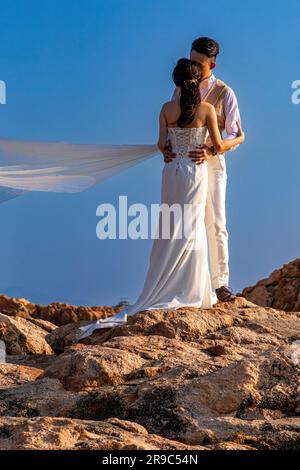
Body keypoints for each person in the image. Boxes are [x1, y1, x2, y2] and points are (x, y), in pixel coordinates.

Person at [78, 58, 244, 340]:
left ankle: (164, 285)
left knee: (170, 226)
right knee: (193, 228)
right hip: (195, 171)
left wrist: (171, 151)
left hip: (171, 172)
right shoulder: (206, 110)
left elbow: (161, 145)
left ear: (176, 83)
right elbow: (217, 145)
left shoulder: (166, 109)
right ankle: (192, 288)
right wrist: (228, 142)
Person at [163, 37, 242, 302]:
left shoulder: (225, 92)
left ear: (212, 64)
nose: (192, 66)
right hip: (185, 167)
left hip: (212, 164)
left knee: (216, 220)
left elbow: (238, 135)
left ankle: (221, 284)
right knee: (183, 222)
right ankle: (187, 283)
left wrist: (212, 149)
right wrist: (170, 148)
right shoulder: (180, 88)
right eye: (190, 60)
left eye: (198, 63)